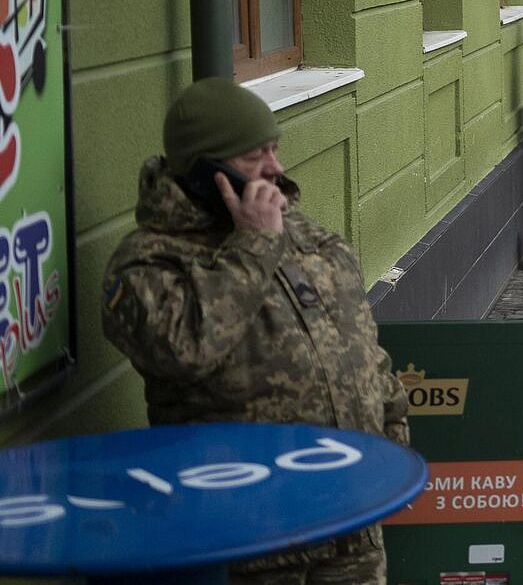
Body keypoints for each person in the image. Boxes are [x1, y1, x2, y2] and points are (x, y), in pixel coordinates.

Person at [102, 78, 411, 582]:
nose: (276, 169)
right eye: (254, 157)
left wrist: (393, 439)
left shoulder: (305, 235)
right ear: (204, 170)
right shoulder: (149, 263)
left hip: (349, 522)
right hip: (248, 540)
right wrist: (251, 247)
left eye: (274, 149)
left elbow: (360, 344)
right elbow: (183, 349)